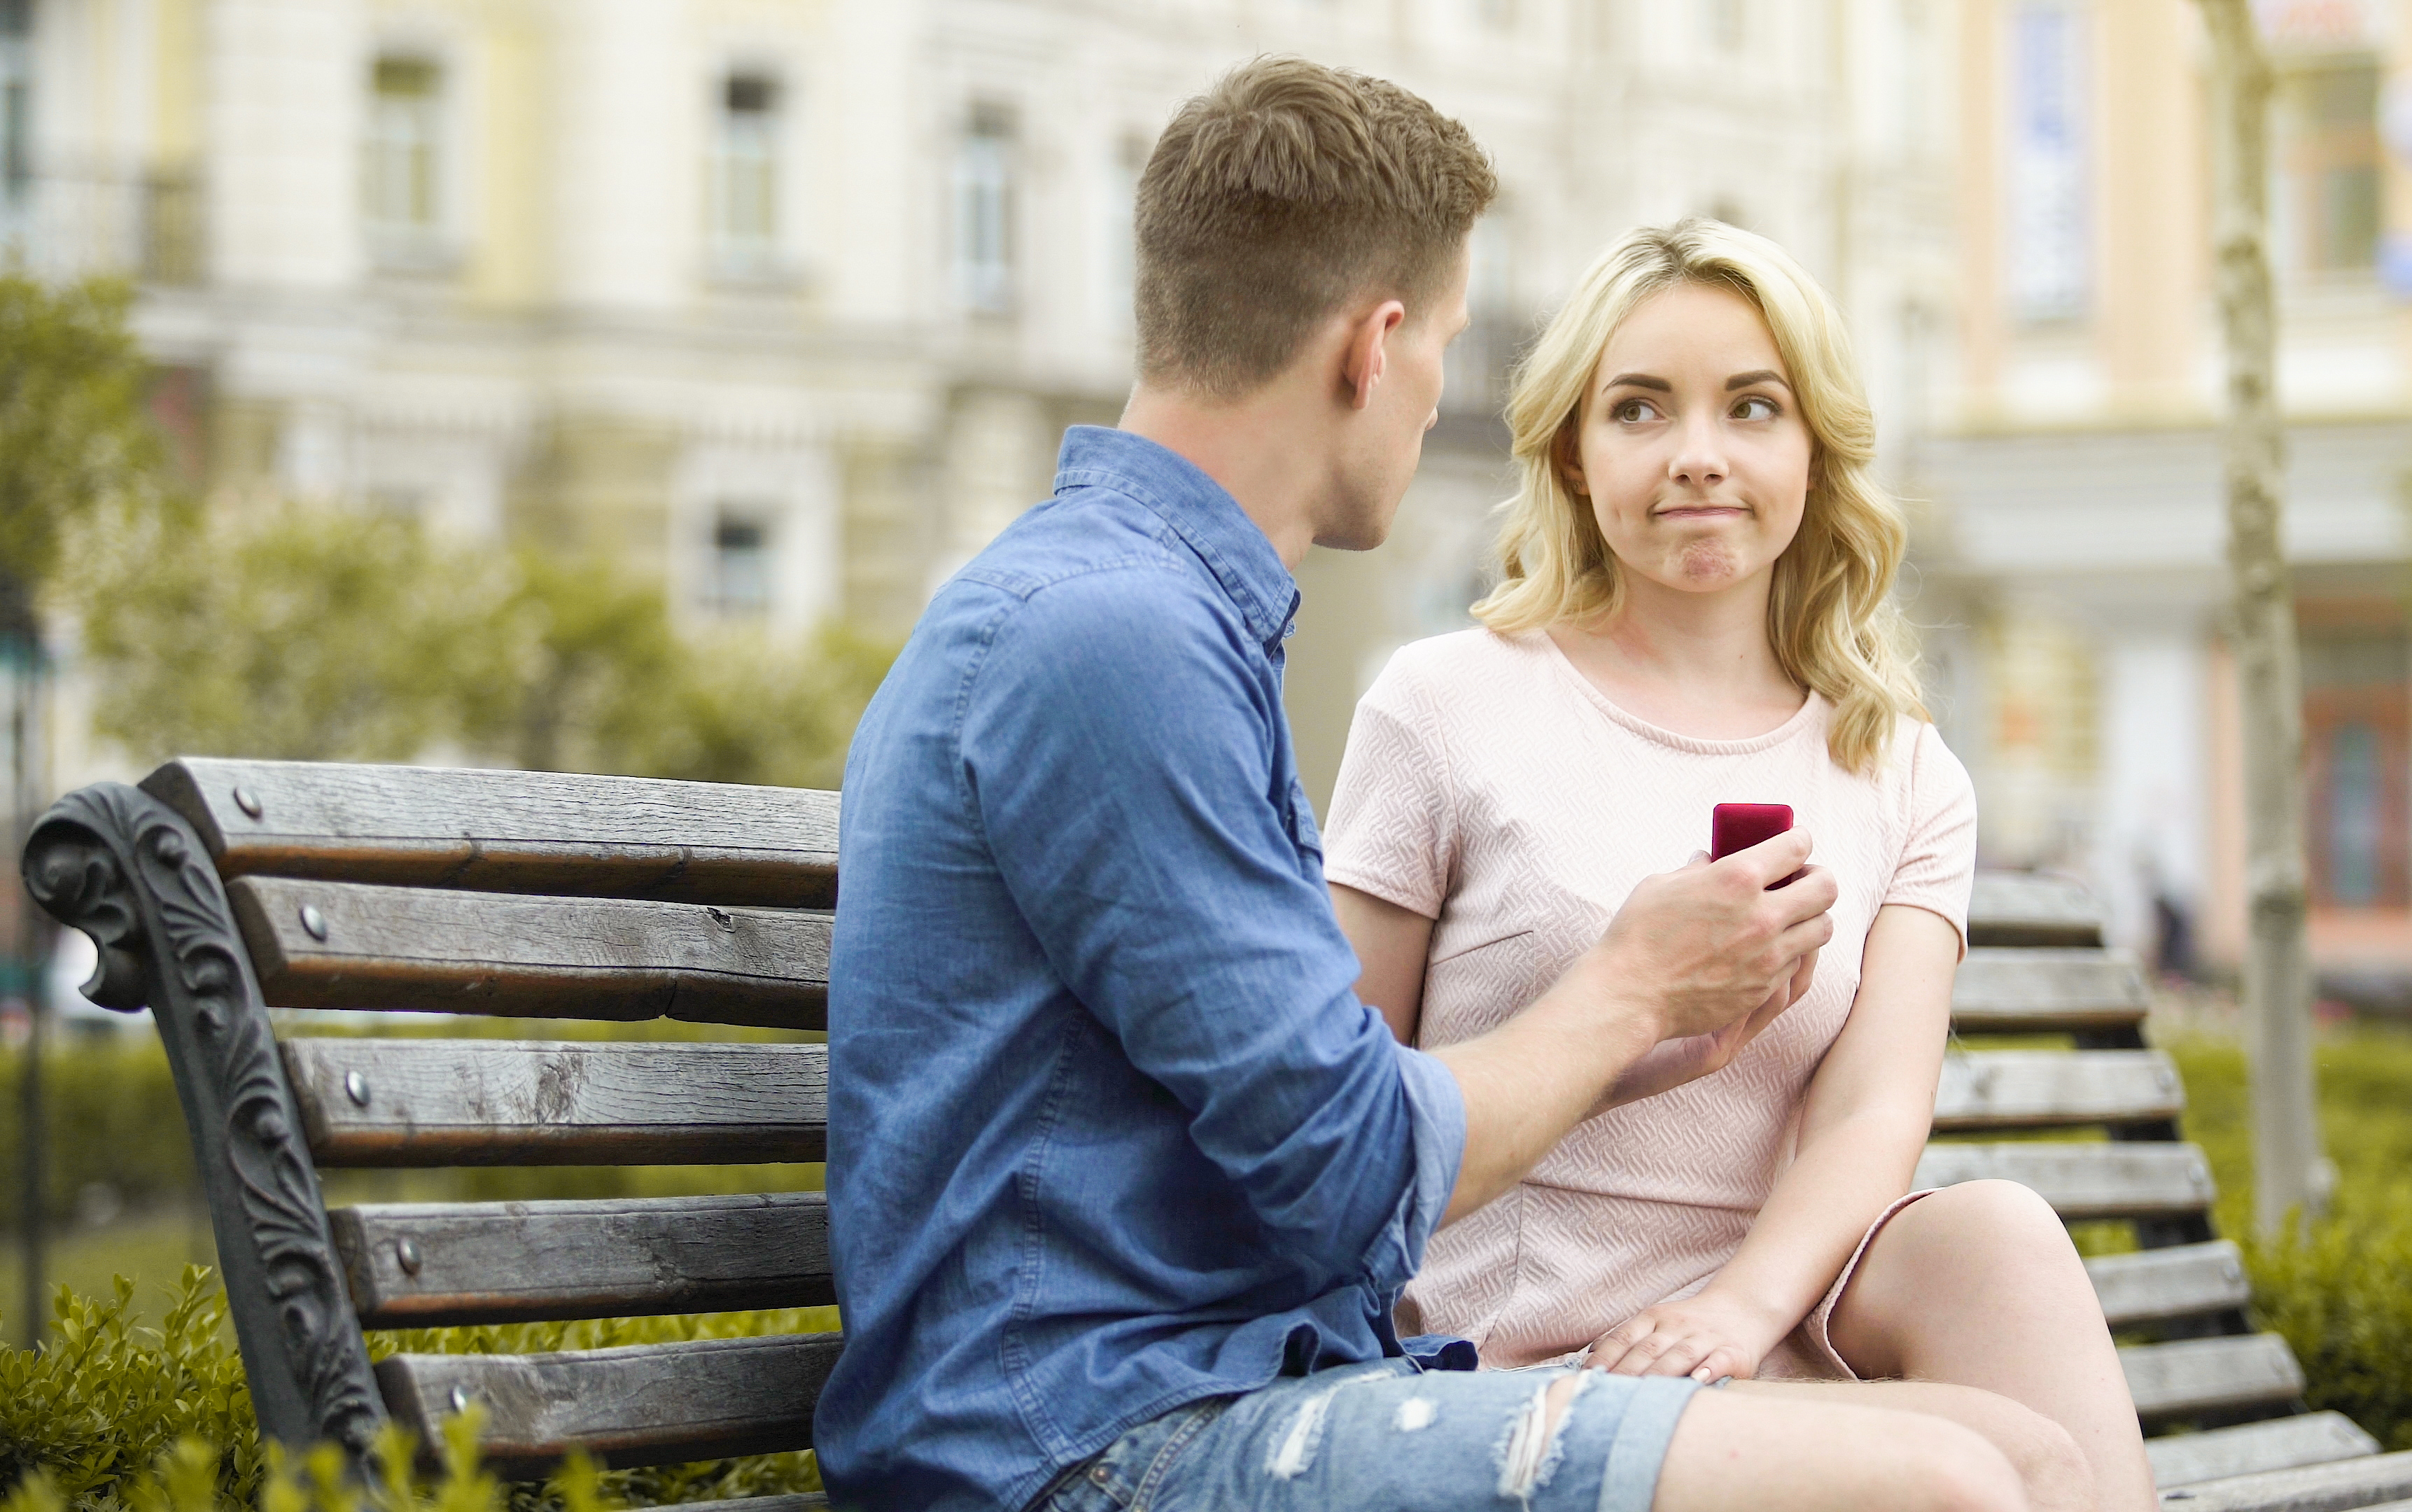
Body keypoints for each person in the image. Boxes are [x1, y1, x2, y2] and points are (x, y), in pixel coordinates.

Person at [819, 57, 2091, 1512]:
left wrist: (1630, 1053)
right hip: (1087, 1440)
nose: (1434, 401)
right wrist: (1625, 995)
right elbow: (1345, 1172)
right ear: (1375, 347)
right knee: (1948, 1488)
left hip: (1203, 1386)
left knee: (2030, 1460)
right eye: (1446, 351)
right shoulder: (1113, 639)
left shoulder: (1142, 618)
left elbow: (1312, 1121)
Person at [1321, 219, 2155, 1512]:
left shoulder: (1905, 768)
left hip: (1772, 1325)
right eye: (1642, 410)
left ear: (1812, 449)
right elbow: (1342, 1105)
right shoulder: (1445, 706)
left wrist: (1739, 1309)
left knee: (2001, 1234)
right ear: (1573, 452)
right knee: (2027, 1471)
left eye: (1751, 408)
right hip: (1522, 1356)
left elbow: (1876, 1107)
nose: (1697, 457)